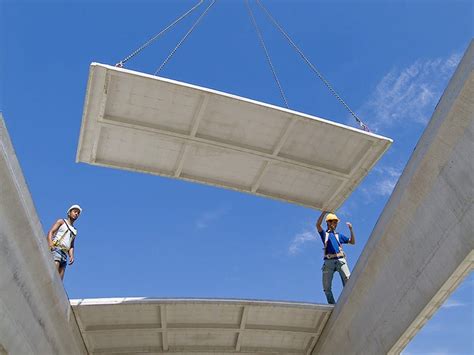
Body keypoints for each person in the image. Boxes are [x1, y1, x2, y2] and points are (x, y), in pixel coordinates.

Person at [316, 211, 355, 304]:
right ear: (328, 222)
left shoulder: (339, 236)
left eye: (336, 222)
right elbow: (318, 225)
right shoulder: (324, 235)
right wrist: (324, 212)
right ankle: (332, 305)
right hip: (328, 263)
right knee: (326, 288)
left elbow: (352, 242)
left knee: (348, 279)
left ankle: (349, 301)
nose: (335, 224)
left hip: (340, 260)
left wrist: (351, 230)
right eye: (334, 222)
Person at [47, 204, 82, 280]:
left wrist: (71, 255)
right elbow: (51, 232)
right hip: (57, 249)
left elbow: (71, 245)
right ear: (69, 213)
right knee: (53, 273)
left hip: (64, 254)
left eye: (78, 213)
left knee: (60, 280)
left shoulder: (74, 230)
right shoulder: (61, 221)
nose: (76, 214)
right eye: (75, 211)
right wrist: (50, 244)